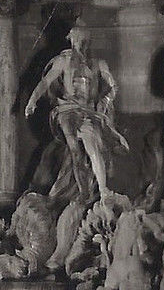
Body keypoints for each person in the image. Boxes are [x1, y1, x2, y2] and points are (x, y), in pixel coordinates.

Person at [25, 21, 131, 201]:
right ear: (71, 41)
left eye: (83, 41)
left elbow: (113, 86)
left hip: (87, 112)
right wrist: (32, 101)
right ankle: (84, 191)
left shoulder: (97, 64)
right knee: (74, 147)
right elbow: (46, 82)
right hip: (67, 110)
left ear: (88, 43)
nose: (80, 45)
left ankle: (104, 191)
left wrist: (106, 99)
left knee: (93, 148)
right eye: (77, 41)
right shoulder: (63, 61)